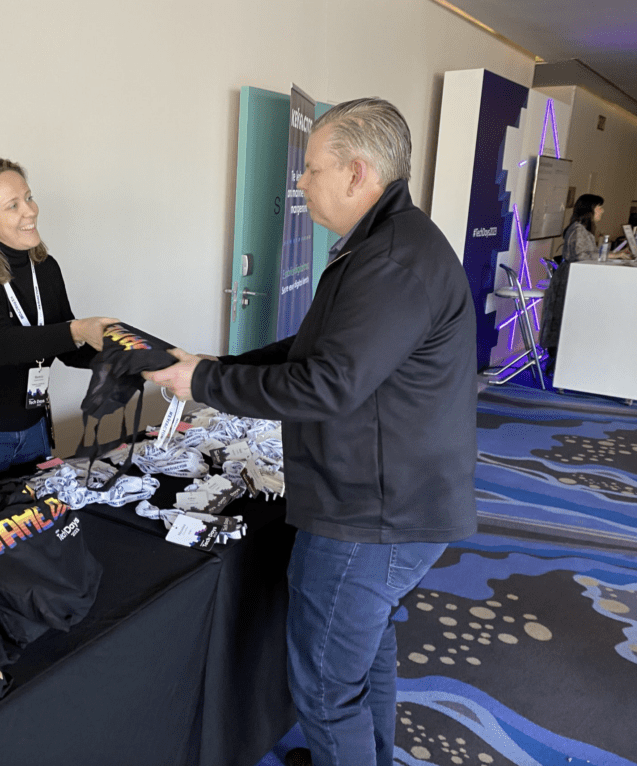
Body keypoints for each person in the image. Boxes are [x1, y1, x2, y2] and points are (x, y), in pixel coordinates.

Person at [145, 98, 477, 766]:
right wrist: (215, 367)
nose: (299, 183)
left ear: (357, 173)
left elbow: (325, 386)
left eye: (310, 169)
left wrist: (205, 386)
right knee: (362, 662)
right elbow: (316, 349)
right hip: (397, 500)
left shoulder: (390, 262)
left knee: (326, 690)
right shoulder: (386, 244)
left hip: (372, 516)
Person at [0, 157, 116, 483]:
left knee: (35, 527)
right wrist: (77, 329)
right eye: (13, 205)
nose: (30, 211)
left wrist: (127, 356)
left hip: (33, 425)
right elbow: (1, 344)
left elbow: (68, 348)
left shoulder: (44, 266)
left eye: (28, 197)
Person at [539, 193, 604, 374]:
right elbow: (581, 258)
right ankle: (558, 365)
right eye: (599, 207)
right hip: (570, 281)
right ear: (590, 210)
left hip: (575, 280)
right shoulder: (577, 230)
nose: (602, 211)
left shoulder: (582, 230)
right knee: (564, 321)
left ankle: (563, 364)